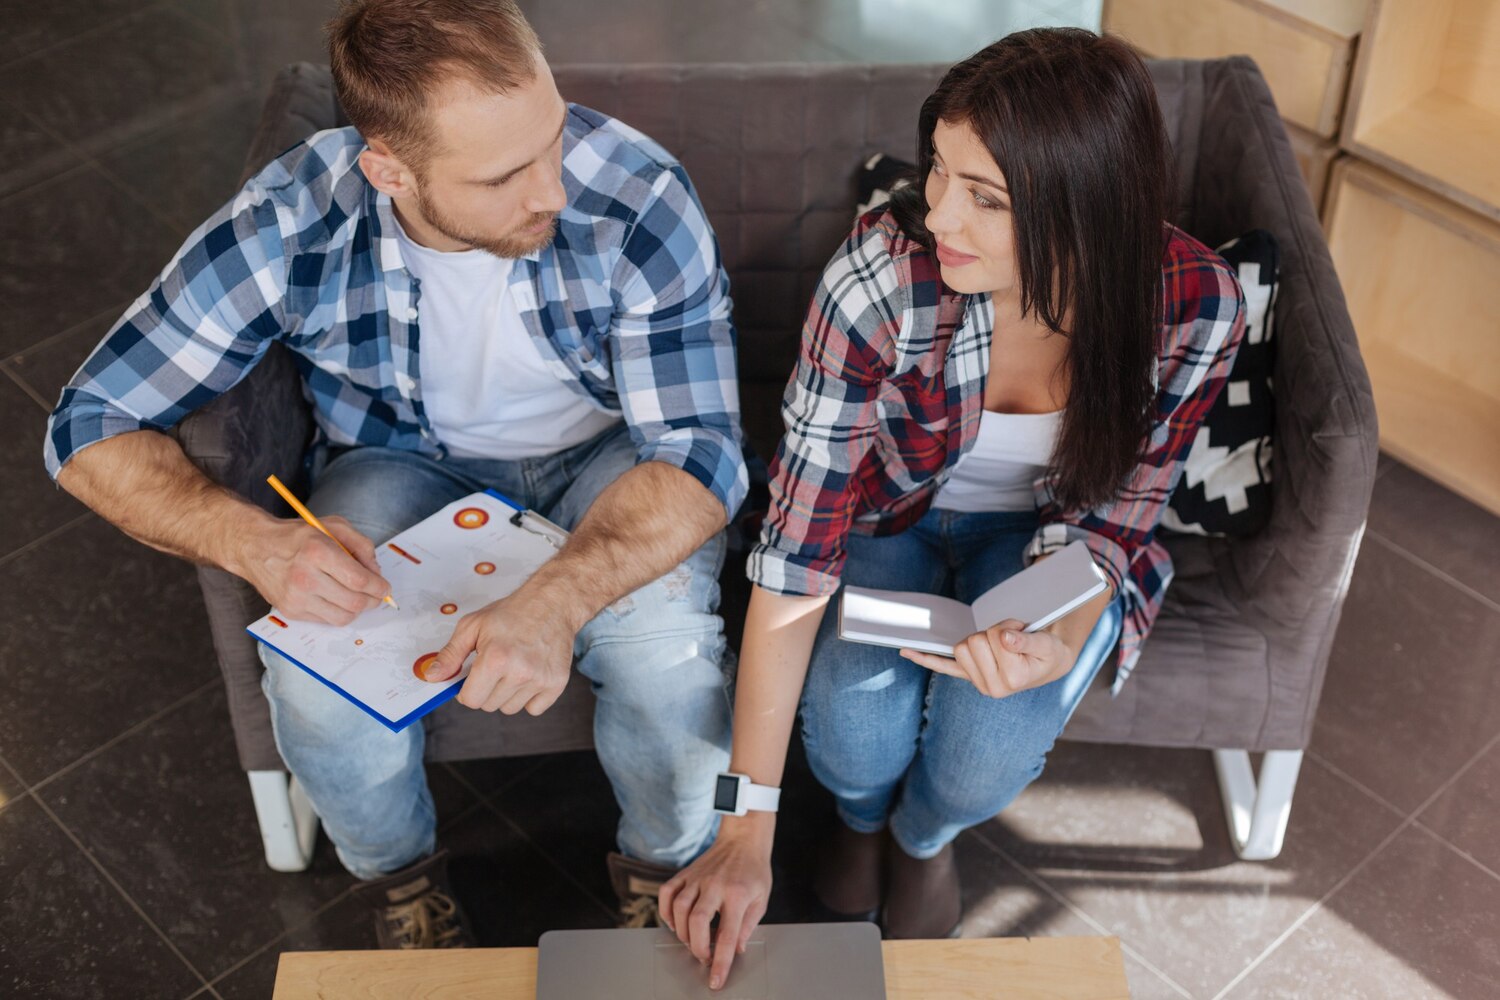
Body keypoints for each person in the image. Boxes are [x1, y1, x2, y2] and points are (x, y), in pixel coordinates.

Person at [44, 0, 746, 948]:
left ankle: (663, 876)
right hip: (396, 459)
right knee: (314, 683)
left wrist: (559, 600)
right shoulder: (290, 220)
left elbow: (698, 457)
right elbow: (88, 428)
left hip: (610, 458)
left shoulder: (636, 194)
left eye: (552, 137)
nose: (555, 188)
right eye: (504, 175)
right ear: (389, 171)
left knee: (664, 665)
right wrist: (252, 540)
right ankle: (401, 882)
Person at [660, 28, 1246, 990]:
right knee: (852, 727)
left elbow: (1117, 520)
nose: (938, 214)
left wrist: (1059, 640)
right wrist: (746, 825)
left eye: (986, 198)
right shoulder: (880, 280)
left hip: (1050, 545)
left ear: (1088, 209)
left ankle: (924, 836)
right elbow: (797, 552)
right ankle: (857, 818)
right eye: (938, 172)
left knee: (991, 745)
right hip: (886, 521)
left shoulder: (1194, 305)